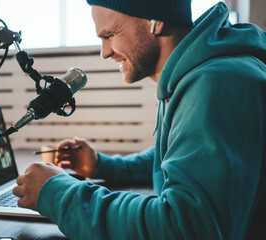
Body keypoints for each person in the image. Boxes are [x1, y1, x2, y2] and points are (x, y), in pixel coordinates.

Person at [13, 1, 266, 239]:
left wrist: (58, 193)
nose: (105, 52)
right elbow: (174, 159)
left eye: (109, 35)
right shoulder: (195, 77)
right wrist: (102, 165)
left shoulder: (217, 84)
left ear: (155, 20)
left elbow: (187, 226)